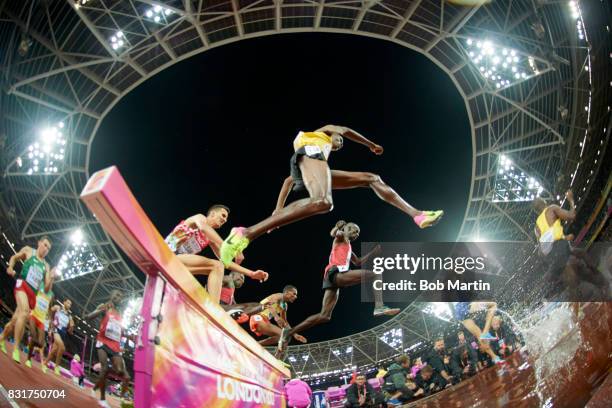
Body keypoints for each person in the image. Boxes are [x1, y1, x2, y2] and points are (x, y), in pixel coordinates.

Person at [219, 125, 444, 266]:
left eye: (341, 144)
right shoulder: (323, 133)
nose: (340, 143)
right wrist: (370, 144)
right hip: (307, 155)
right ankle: (245, 233)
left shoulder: (322, 156)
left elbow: (289, 181)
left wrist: (278, 209)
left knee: (371, 178)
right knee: (324, 202)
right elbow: (347, 131)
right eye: (339, 140)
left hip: (313, 165)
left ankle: (417, 215)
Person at [279, 221, 400, 348]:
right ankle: (379, 306)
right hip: (335, 273)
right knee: (376, 274)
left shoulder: (348, 247)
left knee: (324, 316)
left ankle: (288, 332)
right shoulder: (341, 236)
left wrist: (372, 253)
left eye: (357, 232)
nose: (355, 232)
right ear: (345, 229)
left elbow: (357, 262)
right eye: (352, 229)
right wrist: (337, 227)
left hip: (334, 278)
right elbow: (333, 233)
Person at [164, 206, 269, 304]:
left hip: (179, 266)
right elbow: (204, 228)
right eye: (223, 215)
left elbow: (225, 262)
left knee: (219, 266)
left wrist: (251, 273)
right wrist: (229, 247)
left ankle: (213, 309)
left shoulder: (210, 239)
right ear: (213, 214)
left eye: (226, 218)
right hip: (166, 254)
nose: (225, 220)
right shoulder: (199, 218)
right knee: (217, 265)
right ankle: (215, 309)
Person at [0, 236, 54, 364]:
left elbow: (46, 289)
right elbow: (14, 257)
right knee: (24, 312)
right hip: (22, 285)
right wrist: (10, 267)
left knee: (15, 321)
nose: (46, 249)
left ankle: (2, 338)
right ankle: (16, 349)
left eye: (49, 248)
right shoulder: (29, 251)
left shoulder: (46, 266)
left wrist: (51, 277)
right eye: (45, 245)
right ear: (39, 242)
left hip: (32, 295)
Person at [84, 290, 131, 408]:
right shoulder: (104, 306)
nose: (118, 297)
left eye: (120, 296)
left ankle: (97, 387)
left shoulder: (120, 313)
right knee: (104, 369)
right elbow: (87, 317)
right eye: (116, 294)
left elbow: (119, 330)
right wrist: (101, 310)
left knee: (124, 374)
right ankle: (102, 398)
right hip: (103, 341)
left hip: (114, 345)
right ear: (111, 295)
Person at [249, 286, 306, 357]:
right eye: (294, 294)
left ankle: (256, 344)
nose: (295, 296)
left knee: (284, 337)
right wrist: (276, 317)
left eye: (296, 295)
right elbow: (269, 305)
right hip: (257, 317)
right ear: (287, 292)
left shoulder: (284, 305)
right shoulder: (278, 296)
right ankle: (277, 358)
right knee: (283, 335)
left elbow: (285, 322)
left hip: (264, 321)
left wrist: (295, 334)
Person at [24, 280, 54, 371]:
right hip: (34, 315)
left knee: (41, 344)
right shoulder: (40, 285)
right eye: (49, 280)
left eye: (52, 281)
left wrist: (50, 322)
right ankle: (28, 360)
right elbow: (31, 295)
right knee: (33, 337)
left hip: (41, 320)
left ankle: (31, 346)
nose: (50, 283)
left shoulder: (52, 295)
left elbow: (49, 308)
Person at [44, 298, 74, 375]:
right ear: (64, 302)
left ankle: (45, 363)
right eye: (68, 303)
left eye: (70, 304)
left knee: (54, 350)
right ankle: (57, 367)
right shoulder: (58, 307)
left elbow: (70, 330)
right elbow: (50, 311)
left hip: (63, 333)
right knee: (62, 347)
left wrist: (71, 326)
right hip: (55, 329)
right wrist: (49, 321)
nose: (69, 305)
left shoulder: (69, 315)